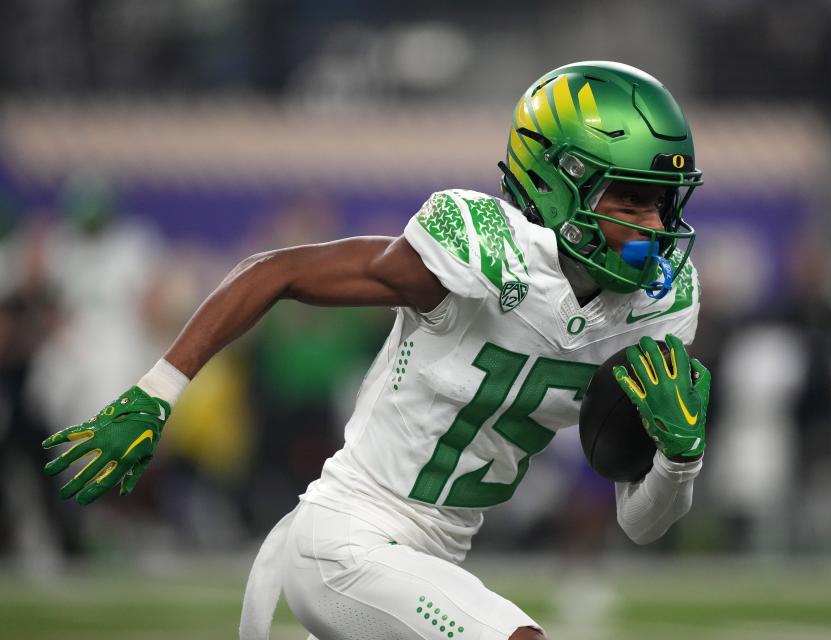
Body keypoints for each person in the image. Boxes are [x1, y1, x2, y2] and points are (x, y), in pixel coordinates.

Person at [41, 61, 711, 640]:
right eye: (630, 199)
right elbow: (278, 271)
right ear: (557, 180)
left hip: (432, 561)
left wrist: (680, 460)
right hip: (345, 539)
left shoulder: (660, 305)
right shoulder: (484, 250)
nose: (653, 228)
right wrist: (157, 390)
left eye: (664, 204)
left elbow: (642, 525)